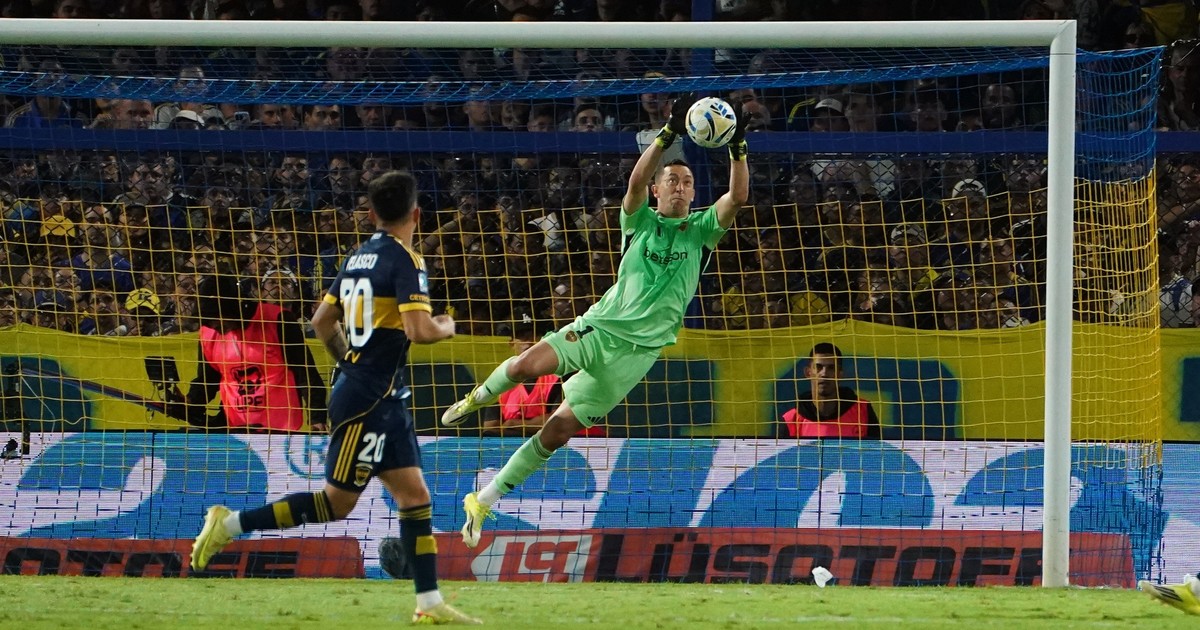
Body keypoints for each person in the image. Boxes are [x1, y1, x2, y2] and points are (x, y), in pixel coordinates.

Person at [441, 93, 749, 548]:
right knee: (526, 366)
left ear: (693, 193)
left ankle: (483, 500)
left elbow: (737, 196)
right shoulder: (639, 221)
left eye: (687, 182)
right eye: (672, 180)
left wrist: (737, 146)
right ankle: (475, 398)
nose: (680, 187)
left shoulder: (702, 231)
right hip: (599, 328)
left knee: (557, 431)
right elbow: (635, 180)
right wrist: (667, 134)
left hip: (636, 356)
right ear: (658, 191)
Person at [189, 171, 479, 625]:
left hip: (379, 394)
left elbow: (322, 321)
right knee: (335, 504)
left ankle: (428, 602)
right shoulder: (406, 260)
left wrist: (349, 361)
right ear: (417, 214)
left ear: (371, 214)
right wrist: (446, 325)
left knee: (414, 495)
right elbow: (420, 331)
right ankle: (229, 524)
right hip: (369, 399)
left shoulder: (356, 257)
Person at [163, 273, 326, 433]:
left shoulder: (277, 319)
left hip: (280, 427)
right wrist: (190, 401)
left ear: (234, 308)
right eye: (208, 320)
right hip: (235, 426)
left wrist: (317, 417)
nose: (214, 326)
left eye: (216, 318)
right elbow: (208, 379)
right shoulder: (208, 332)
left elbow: (305, 372)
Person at [480, 314, 607, 438]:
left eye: (535, 335)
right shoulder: (501, 382)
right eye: (522, 337)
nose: (529, 342)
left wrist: (516, 424)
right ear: (512, 343)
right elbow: (490, 429)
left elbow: (561, 420)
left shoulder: (562, 375)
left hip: (582, 443)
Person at [776, 343, 881, 439]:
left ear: (840, 374)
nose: (824, 374)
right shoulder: (791, 420)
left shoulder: (863, 411)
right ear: (808, 372)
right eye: (818, 367)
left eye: (831, 368)